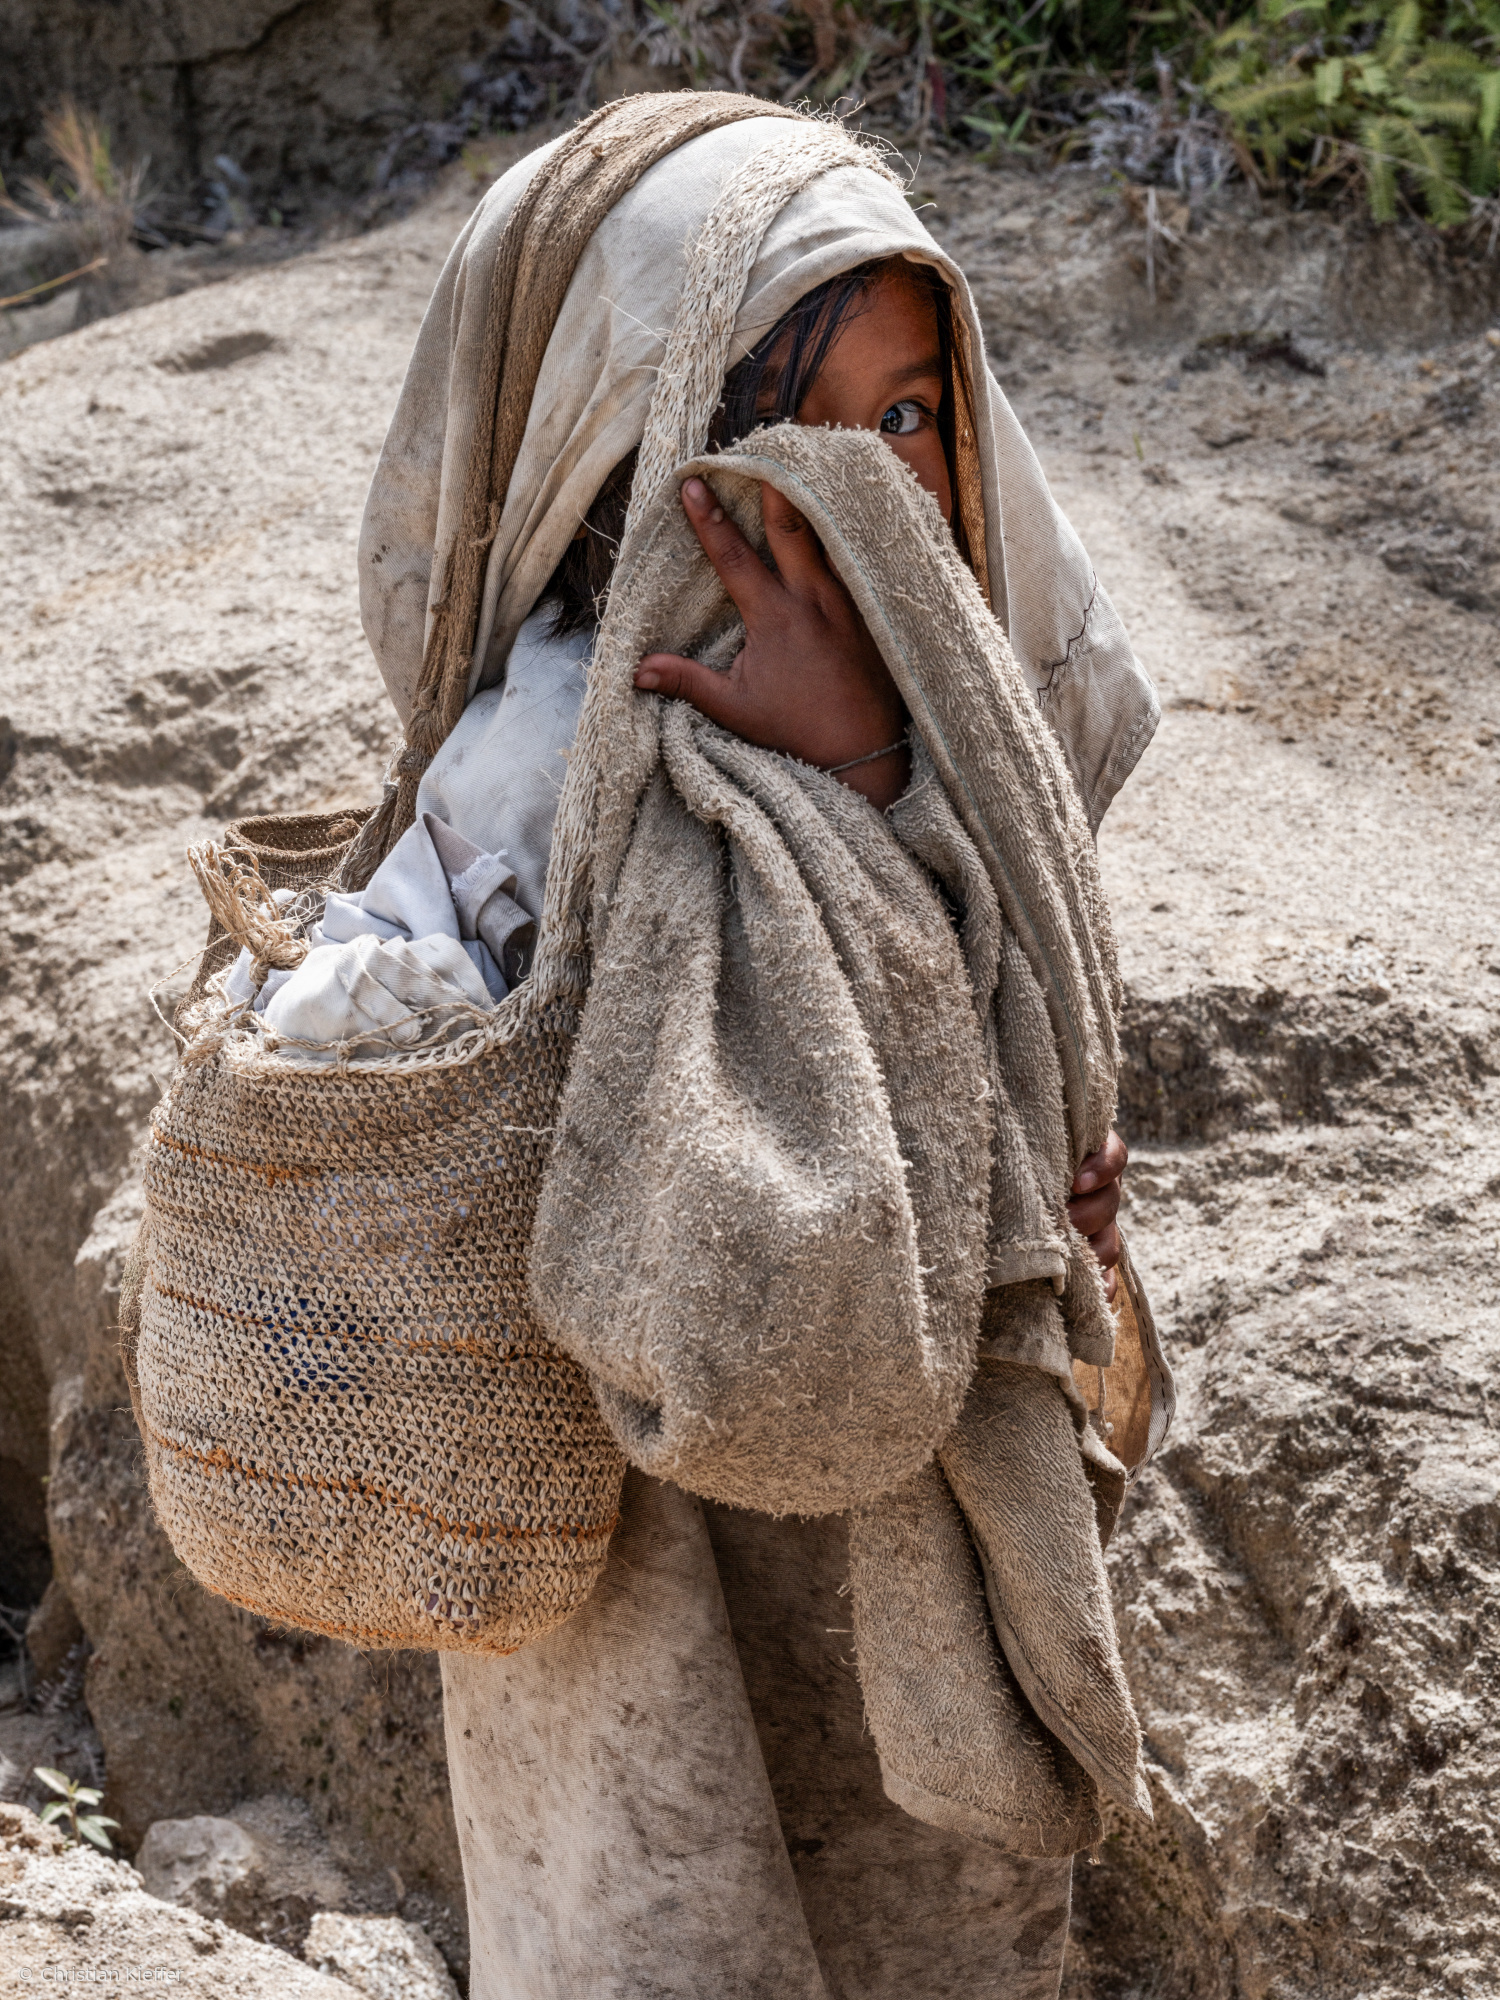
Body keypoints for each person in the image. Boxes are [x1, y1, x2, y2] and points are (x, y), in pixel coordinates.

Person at [347, 91, 1165, 2000]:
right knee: (667, 1925)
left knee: (937, 1929)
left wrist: (1062, 1219)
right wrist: (852, 786)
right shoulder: (546, 770)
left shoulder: (959, 729)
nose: (852, 490)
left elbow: (1010, 1089)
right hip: (629, 1593)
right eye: (766, 432)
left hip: (905, 1588)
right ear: (598, 452)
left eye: (903, 422)